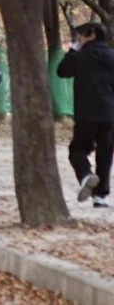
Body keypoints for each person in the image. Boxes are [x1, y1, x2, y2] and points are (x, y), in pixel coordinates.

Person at [58, 22, 114, 207]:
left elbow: (62, 71)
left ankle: (85, 175)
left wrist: (73, 49)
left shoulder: (80, 57)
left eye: (82, 34)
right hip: (108, 114)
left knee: (77, 149)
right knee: (105, 155)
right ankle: (101, 197)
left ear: (92, 35)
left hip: (85, 114)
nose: (80, 38)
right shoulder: (111, 56)